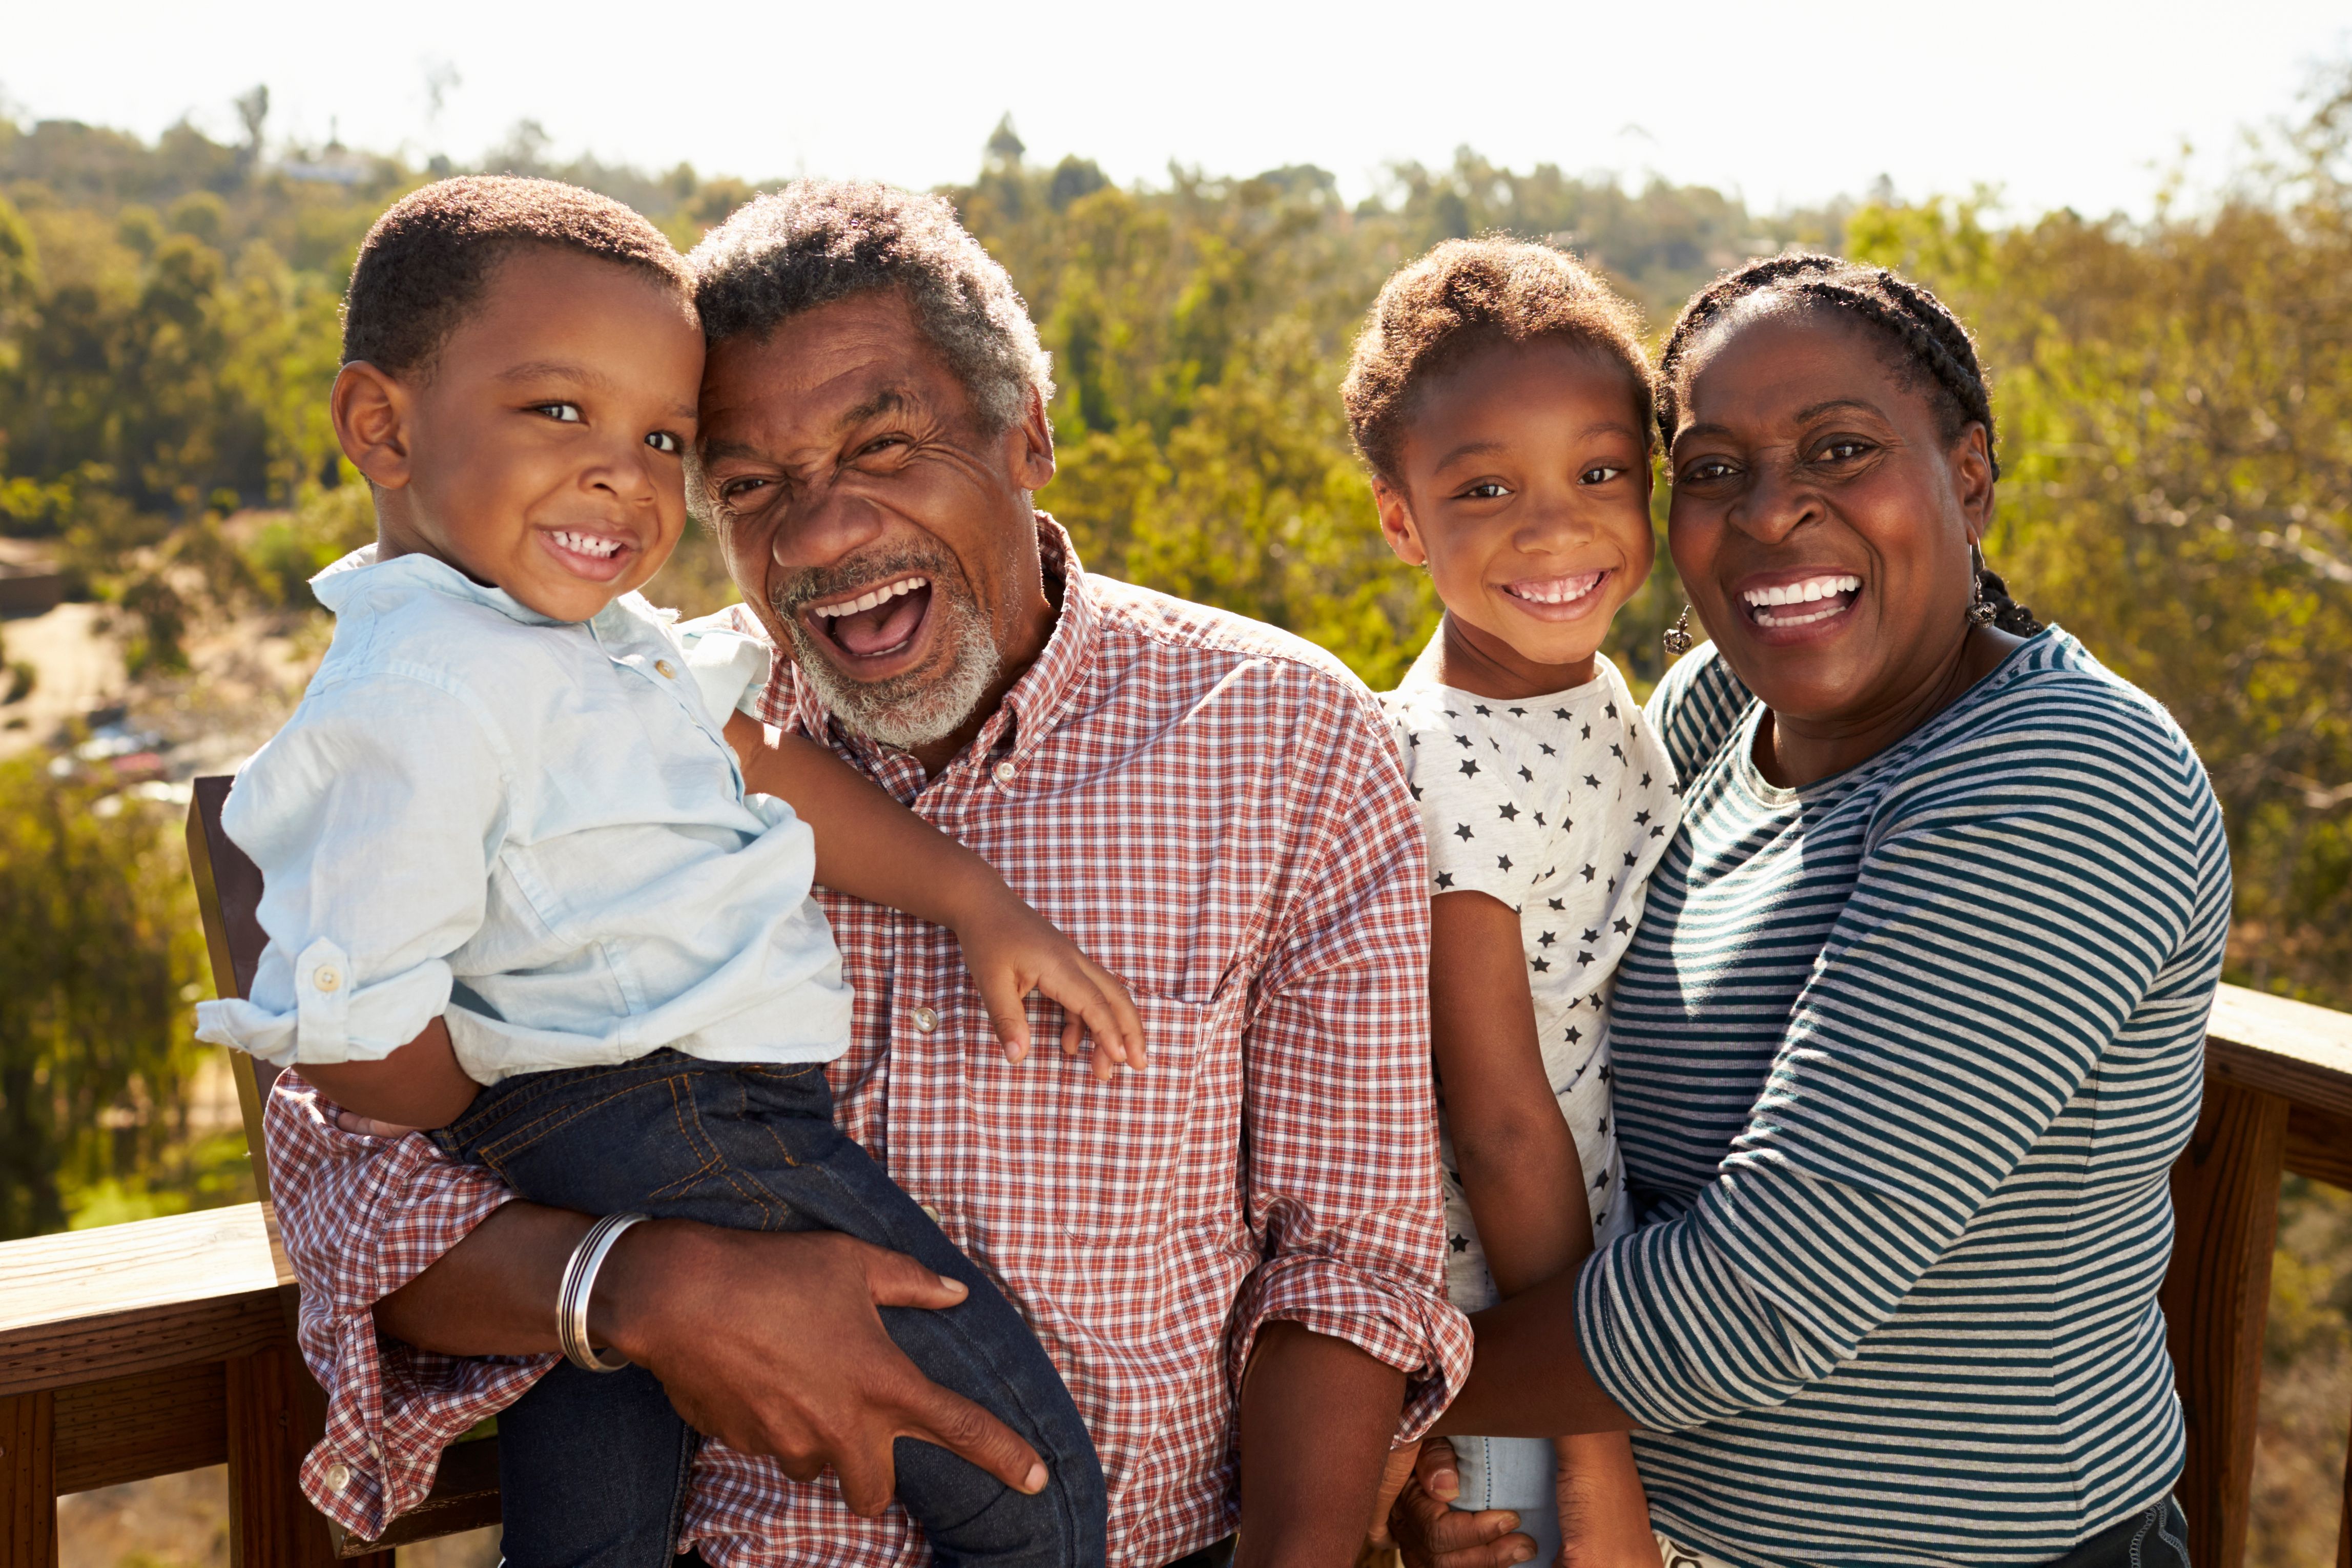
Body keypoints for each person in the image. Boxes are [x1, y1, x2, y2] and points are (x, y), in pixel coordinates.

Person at [257, 178, 1472, 1568]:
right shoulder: (609, 723)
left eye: (883, 447)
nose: (822, 532)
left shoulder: (1281, 737)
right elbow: (341, 1173)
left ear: (1027, 431)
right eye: (750, 484)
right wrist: (640, 1284)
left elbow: (1347, 1261)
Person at [198, 176, 1146, 1567]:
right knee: (1032, 1497)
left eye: (660, 437)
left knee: (596, 1535)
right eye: (558, 411)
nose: (622, 474)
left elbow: (761, 762)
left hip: (619, 1145)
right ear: (381, 426)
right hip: (678, 1113)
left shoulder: (569, 638)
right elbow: (352, 1045)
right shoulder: (419, 694)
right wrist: (496, 1105)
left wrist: (970, 897)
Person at [1387, 255, 2220, 1568]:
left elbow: (1771, 1293)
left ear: (1970, 475)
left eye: (1841, 449)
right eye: (1714, 469)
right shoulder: (1716, 715)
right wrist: (1499, 1486)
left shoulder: (2062, 774)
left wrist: (1392, 1405)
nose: (1774, 514)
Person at [1344, 239, 1672, 1566]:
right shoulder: (1438, 760)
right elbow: (1492, 1112)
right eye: (1483, 488)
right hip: (1505, 1310)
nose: (1553, 527)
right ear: (1400, 520)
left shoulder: (1590, 691)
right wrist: (1576, 1397)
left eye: (1598, 473)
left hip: (1589, 1291)